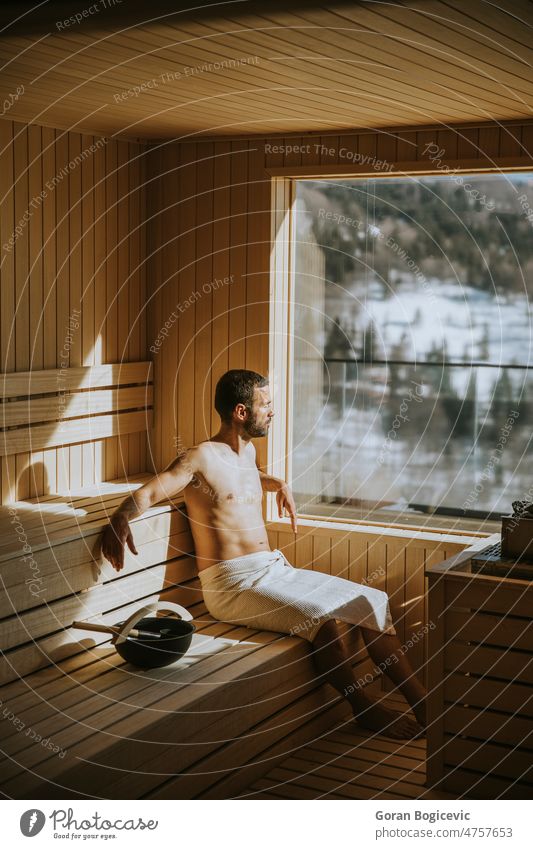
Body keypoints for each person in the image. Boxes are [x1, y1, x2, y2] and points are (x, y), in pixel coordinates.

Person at [101, 369, 427, 739]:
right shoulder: (200, 457)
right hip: (232, 586)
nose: (271, 411)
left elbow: (243, 481)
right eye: (265, 405)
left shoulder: (249, 451)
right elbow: (150, 492)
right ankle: (364, 707)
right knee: (321, 621)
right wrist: (120, 518)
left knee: (372, 599)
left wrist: (279, 483)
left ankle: (425, 706)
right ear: (241, 412)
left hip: (272, 569)